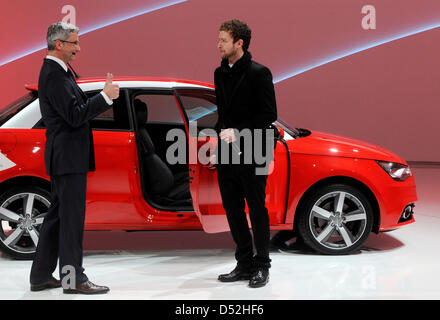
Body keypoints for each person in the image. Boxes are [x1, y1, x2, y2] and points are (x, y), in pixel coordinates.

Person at [29, 22, 119, 294]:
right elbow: (75, 115)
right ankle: (73, 279)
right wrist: (105, 97)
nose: (78, 48)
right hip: (67, 159)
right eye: (74, 43)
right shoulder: (54, 74)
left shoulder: (58, 72)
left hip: (66, 158)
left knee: (57, 218)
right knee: (70, 222)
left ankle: (41, 276)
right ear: (59, 44)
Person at [212, 19, 277, 288]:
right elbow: (223, 114)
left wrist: (237, 131)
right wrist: (218, 140)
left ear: (239, 42)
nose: (218, 45)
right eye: (219, 40)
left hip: (255, 148)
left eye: (223, 40)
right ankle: (244, 263)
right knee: (232, 209)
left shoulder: (259, 73)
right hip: (228, 150)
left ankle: (262, 265)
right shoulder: (219, 72)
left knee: (257, 208)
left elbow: (268, 115)